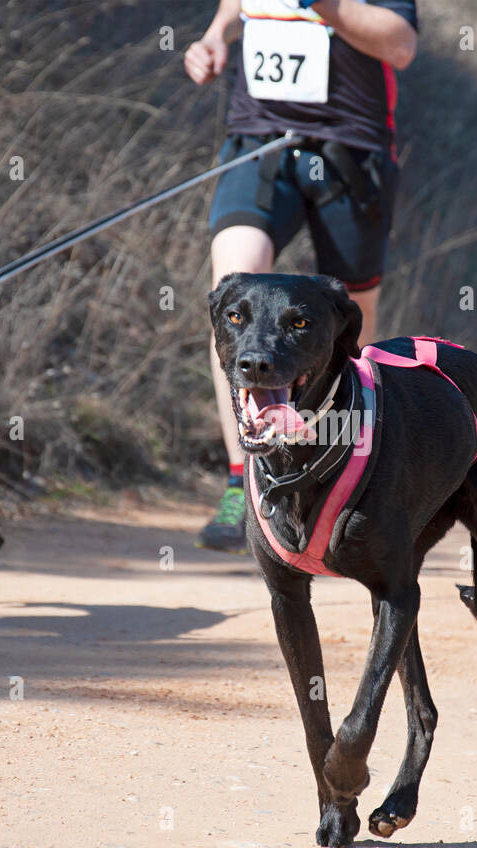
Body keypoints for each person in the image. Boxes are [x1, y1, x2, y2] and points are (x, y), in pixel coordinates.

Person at [184, 0, 417, 553]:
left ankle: (346, 467)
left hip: (349, 150)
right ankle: (246, 474)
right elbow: (236, 7)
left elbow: (401, 44)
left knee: (352, 326)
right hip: (258, 142)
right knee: (234, 285)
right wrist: (216, 36)